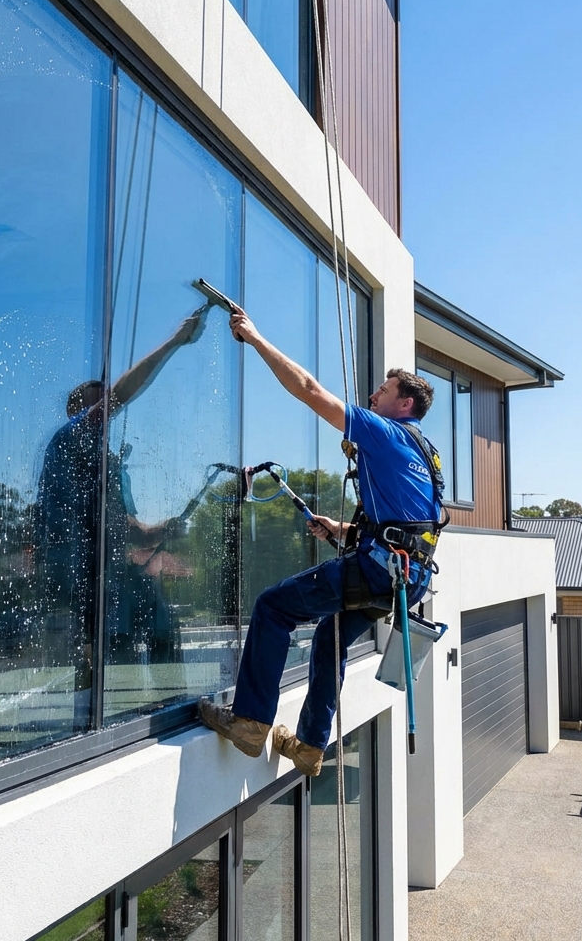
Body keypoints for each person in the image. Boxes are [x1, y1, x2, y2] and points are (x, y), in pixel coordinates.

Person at [198, 303, 445, 775]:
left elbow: (309, 390)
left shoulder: (387, 432)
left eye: (383, 390)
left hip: (380, 568)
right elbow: (415, 528)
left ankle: (250, 723)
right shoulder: (427, 454)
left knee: (273, 608)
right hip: (406, 576)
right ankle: (310, 745)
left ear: (405, 404)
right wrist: (345, 530)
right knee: (331, 639)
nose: (373, 396)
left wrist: (254, 337)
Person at [35, 304, 210, 728]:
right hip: (78, 565)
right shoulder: (72, 435)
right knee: (113, 639)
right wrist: (174, 342)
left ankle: (167, 708)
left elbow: (123, 525)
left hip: (104, 564)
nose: (111, 413)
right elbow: (119, 396)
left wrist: (156, 529)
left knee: (162, 626)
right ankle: (106, 721)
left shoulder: (108, 459)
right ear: (83, 411)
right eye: (102, 406)